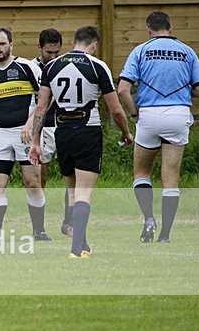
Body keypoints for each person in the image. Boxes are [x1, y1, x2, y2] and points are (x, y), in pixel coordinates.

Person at [26, 26, 133, 258]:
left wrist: (36, 141)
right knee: (84, 193)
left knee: (73, 191)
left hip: (62, 133)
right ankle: (76, 249)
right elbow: (116, 110)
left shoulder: (52, 66)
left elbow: (41, 108)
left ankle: (82, 244)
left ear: (74, 42)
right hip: (87, 131)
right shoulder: (97, 66)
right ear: (94, 45)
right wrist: (126, 132)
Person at [117, 10, 199, 243]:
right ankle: (165, 235)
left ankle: (149, 218)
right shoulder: (187, 51)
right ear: (171, 28)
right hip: (178, 115)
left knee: (141, 172)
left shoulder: (140, 50)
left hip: (148, 116)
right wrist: (180, 90)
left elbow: (122, 90)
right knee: (171, 178)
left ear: (149, 30)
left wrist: (135, 114)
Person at [0, 27, 51, 242]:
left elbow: (46, 99)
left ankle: (39, 231)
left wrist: (30, 124)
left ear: (11, 45)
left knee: (32, 182)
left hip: (25, 134)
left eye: (2, 44)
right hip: (1, 134)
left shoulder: (27, 68)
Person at [31, 28, 73, 237]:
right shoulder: (31, 68)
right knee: (41, 178)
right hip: (43, 127)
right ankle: (39, 227)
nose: (54, 57)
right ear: (39, 48)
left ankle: (69, 221)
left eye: (57, 52)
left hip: (65, 125)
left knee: (71, 175)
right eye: (49, 53)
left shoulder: (66, 66)